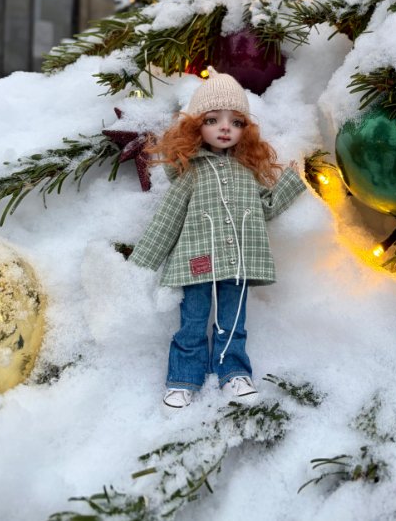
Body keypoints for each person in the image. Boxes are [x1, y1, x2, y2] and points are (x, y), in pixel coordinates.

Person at [129, 68, 306, 409]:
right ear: (197, 126)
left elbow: (266, 207)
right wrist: (141, 263)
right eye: (213, 120)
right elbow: (169, 217)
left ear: (246, 130)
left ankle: (233, 373)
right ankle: (183, 377)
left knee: (233, 322)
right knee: (193, 321)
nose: (225, 128)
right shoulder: (191, 172)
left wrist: (290, 182)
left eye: (236, 122)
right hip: (196, 258)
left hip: (238, 259)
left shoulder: (246, 172)